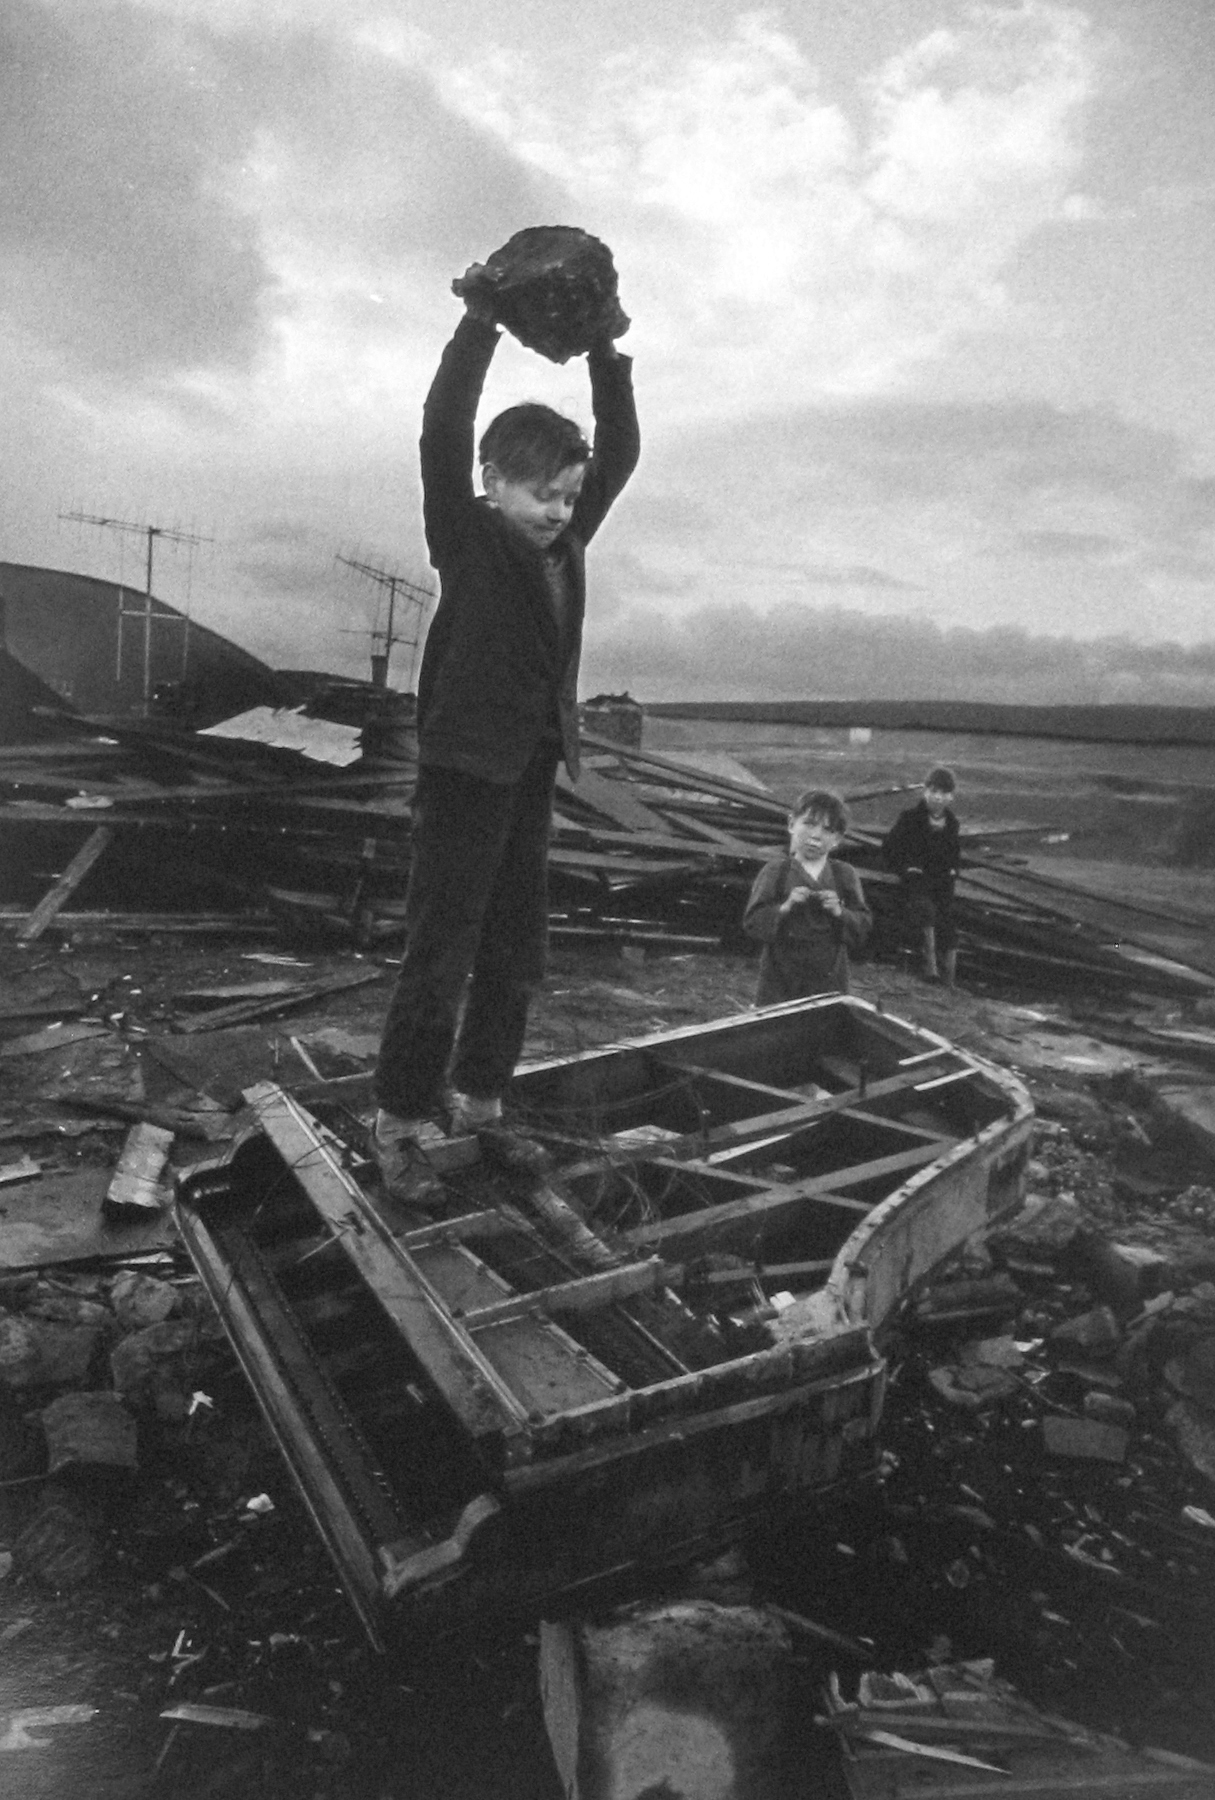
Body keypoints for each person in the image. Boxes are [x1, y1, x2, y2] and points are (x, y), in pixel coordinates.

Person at [372, 279, 640, 1206]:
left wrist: (606, 351)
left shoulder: (566, 547)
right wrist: (479, 323)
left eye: (568, 494)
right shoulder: (466, 535)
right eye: (539, 493)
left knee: (516, 948)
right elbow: (442, 426)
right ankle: (400, 1122)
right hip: (462, 773)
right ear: (491, 481)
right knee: (440, 952)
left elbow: (623, 450)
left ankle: (481, 1103)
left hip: (527, 769)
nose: (559, 510)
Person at [743, 789, 871, 1005]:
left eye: (827, 829)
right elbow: (753, 922)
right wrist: (784, 907)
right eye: (809, 824)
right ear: (792, 824)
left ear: (837, 839)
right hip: (779, 982)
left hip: (829, 981)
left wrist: (840, 912)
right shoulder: (776, 871)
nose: (816, 835)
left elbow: (862, 926)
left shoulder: (844, 875)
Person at [882, 766, 962, 986]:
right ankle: (931, 970)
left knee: (949, 924)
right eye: (933, 791)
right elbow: (889, 848)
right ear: (925, 791)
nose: (938, 797)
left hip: (941, 886)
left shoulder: (952, 824)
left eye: (944, 793)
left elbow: (954, 856)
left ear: (951, 797)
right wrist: (907, 868)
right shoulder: (909, 818)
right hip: (915, 885)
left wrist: (953, 870)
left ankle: (950, 981)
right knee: (926, 911)